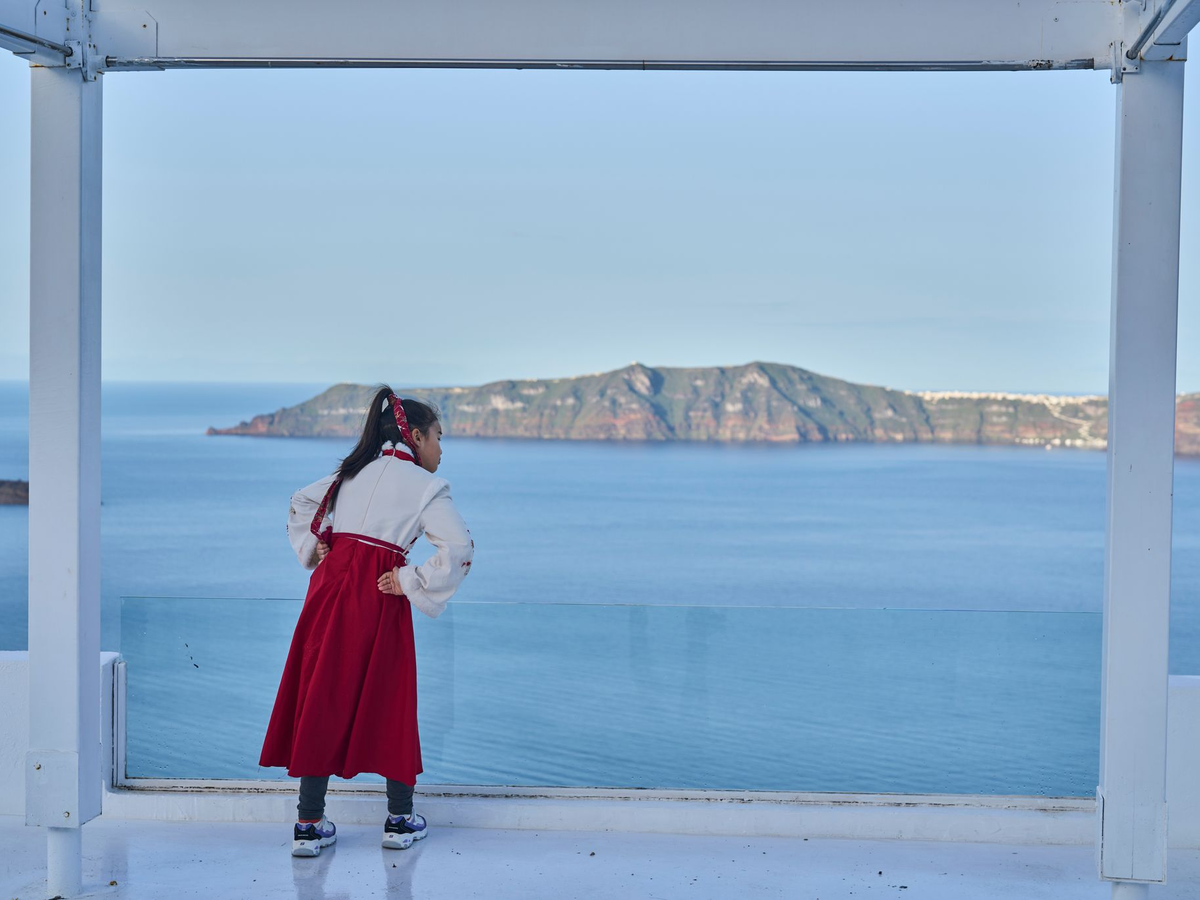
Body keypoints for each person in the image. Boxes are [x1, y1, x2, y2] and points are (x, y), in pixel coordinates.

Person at [259, 386, 473, 857]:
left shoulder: (351, 472)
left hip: (328, 590)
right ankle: (399, 820)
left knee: (320, 693)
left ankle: (308, 824)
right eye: (439, 437)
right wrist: (411, 579)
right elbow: (459, 549)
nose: (441, 448)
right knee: (391, 697)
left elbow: (301, 502)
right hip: (379, 591)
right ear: (416, 437)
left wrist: (317, 547)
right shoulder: (427, 487)